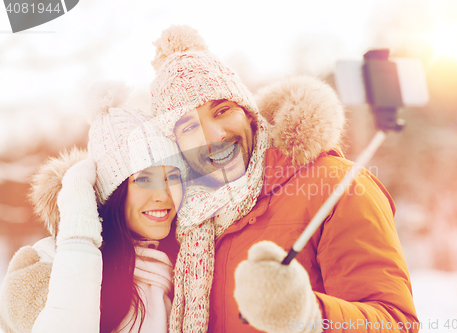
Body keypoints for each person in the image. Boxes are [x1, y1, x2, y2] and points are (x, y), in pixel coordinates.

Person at [149, 25, 420, 333]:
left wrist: (310, 316)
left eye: (222, 110)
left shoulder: (337, 186)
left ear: (248, 113)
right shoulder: (182, 222)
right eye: (188, 128)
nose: (215, 136)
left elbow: (396, 323)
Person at [0, 81, 187, 333]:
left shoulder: (188, 267)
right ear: (112, 192)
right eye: (143, 179)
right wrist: (78, 234)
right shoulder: (44, 265)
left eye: (172, 177)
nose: (163, 195)